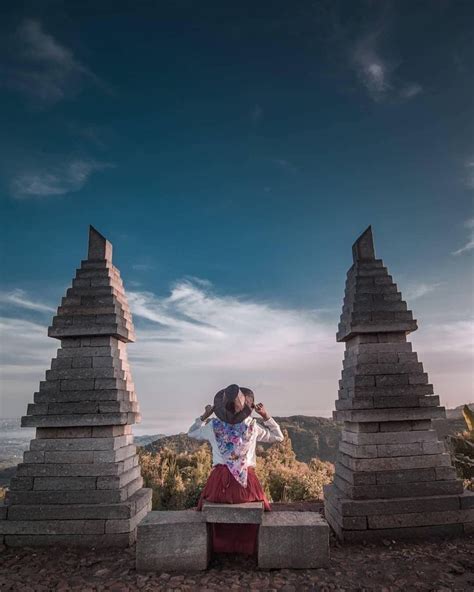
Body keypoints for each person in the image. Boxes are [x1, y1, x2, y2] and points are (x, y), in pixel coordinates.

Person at [187, 383, 284, 556]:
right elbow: (278, 436)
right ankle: (248, 547)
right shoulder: (253, 427)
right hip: (246, 485)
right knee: (257, 504)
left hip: (219, 486)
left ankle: (219, 547)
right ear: (245, 407)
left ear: (221, 408)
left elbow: (192, 433)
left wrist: (205, 416)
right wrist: (265, 415)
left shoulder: (212, 427)